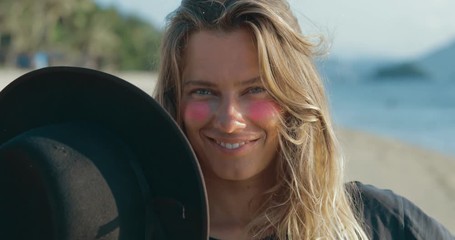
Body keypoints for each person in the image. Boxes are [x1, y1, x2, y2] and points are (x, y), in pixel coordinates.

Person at [153, 0, 454, 239]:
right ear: (174, 98)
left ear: (294, 96)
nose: (230, 120)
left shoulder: (379, 224)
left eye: (256, 90)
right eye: (203, 91)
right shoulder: (134, 227)